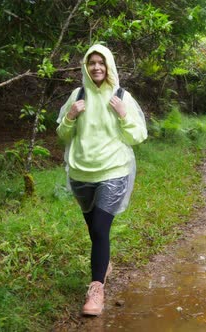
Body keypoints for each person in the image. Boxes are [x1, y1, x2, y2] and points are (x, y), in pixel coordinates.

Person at [56, 44, 147, 316]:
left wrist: (123, 115)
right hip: (81, 172)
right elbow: (62, 134)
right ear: (85, 66)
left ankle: (96, 290)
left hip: (114, 170)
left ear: (109, 66)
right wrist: (70, 117)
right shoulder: (77, 94)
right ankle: (103, 262)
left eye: (101, 62)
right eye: (92, 62)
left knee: (99, 228)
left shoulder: (121, 96)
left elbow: (138, 136)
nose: (97, 67)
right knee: (95, 230)